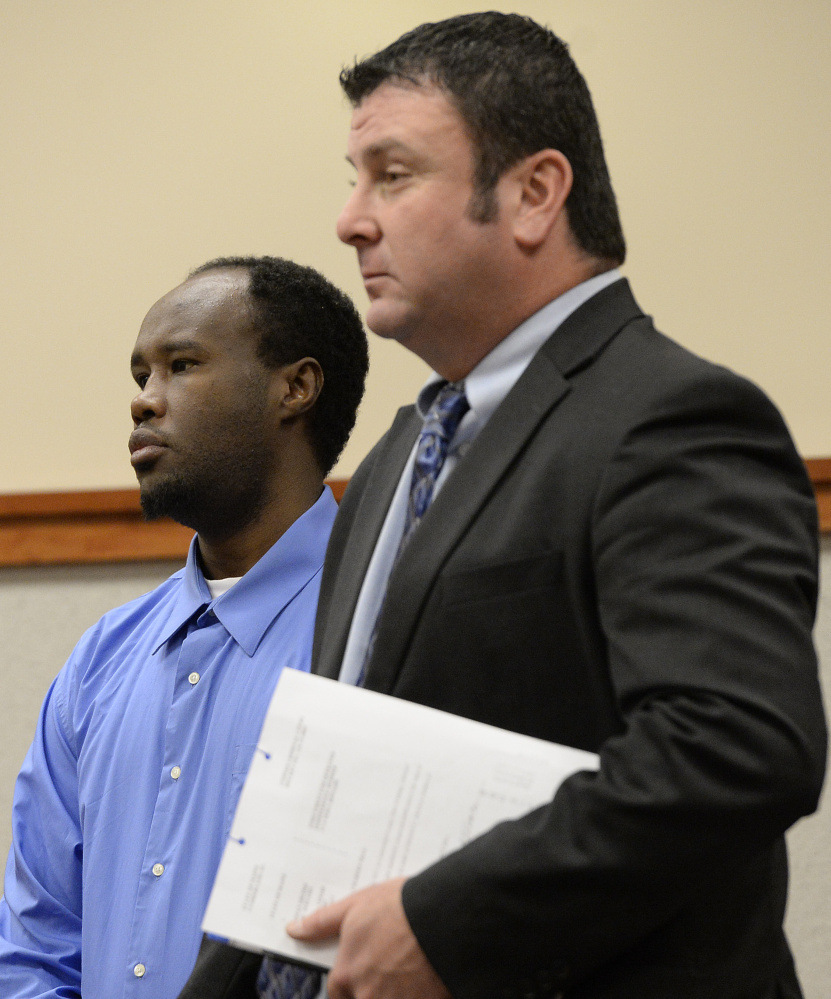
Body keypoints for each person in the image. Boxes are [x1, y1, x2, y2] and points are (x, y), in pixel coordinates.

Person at [184, 12, 827, 999]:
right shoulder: (401, 452)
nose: (351, 219)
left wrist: (443, 924)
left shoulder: (674, 419)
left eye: (391, 175)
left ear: (534, 193)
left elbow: (733, 747)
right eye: (354, 178)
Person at [0, 256, 368, 999]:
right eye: (141, 376)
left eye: (181, 365)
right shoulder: (102, 659)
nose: (144, 401)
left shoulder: (374, 626)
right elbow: (35, 949)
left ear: (293, 388)